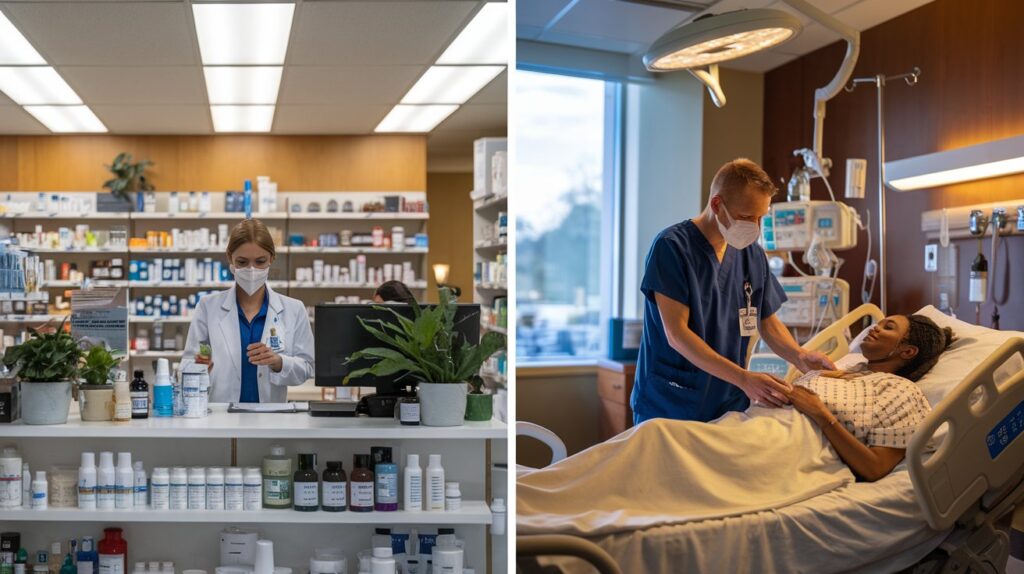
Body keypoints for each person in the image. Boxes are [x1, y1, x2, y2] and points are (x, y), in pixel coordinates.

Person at [518, 314, 954, 534]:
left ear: (909, 352)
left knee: (657, 438)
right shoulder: (838, 371)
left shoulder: (902, 395)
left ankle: (546, 505)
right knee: (654, 438)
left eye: (888, 327)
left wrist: (819, 412)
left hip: (795, 445)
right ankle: (541, 495)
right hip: (753, 425)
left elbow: (877, 468)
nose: (873, 328)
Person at [632, 158, 835, 424]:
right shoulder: (671, 247)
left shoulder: (752, 255)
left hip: (726, 400)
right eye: (747, 217)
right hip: (671, 401)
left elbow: (767, 322)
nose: (755, 227)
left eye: (760, 217)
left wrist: (799, 356)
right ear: (717, 205)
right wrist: (742, 377)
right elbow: (676, 335)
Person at [182, 218, 314, 403]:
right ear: (230, 258)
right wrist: (200, 367)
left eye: (260, 261)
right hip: (221, 419)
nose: (252, 270)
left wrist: (279, 362)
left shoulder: (294, 309)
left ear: (272, 258)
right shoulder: (208, 307)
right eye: (242, 262)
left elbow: (307, 367)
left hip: (269, 420)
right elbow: (188, 364)